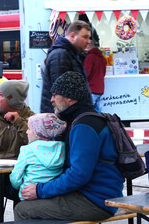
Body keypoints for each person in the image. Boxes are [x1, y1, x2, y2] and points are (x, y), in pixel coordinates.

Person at [14, 71, 124, 222]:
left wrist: (40, 190)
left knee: (23, 209)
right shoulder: (86, 119)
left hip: (94, 201)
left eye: (55, 95)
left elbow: (79, 175)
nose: (51, 99)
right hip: (95, 195)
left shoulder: (84, 126)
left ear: (70, 98)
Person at [10, 113, 66, 200]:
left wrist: (17, 186)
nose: (26, 131)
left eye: (29, 129)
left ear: (38, 132)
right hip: (51, 194)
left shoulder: (27, 150)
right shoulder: (61, 148)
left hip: (27, 195)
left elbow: (15, 178)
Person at [41, 20, 92, 113]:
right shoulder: (61, 55)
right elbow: (61, 96)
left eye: (89, 38)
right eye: (85, 37)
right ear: (72, 36)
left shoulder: (71, 54)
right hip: (64, 119)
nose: (88, 41)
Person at [84, 40, 106, 112]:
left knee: (89, 112)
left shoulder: (90, 57)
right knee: (98, 112)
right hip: (100, 89)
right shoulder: (102, 57)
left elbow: (86, 74)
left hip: (91, 88)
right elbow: (104, 73)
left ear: (88, 46)